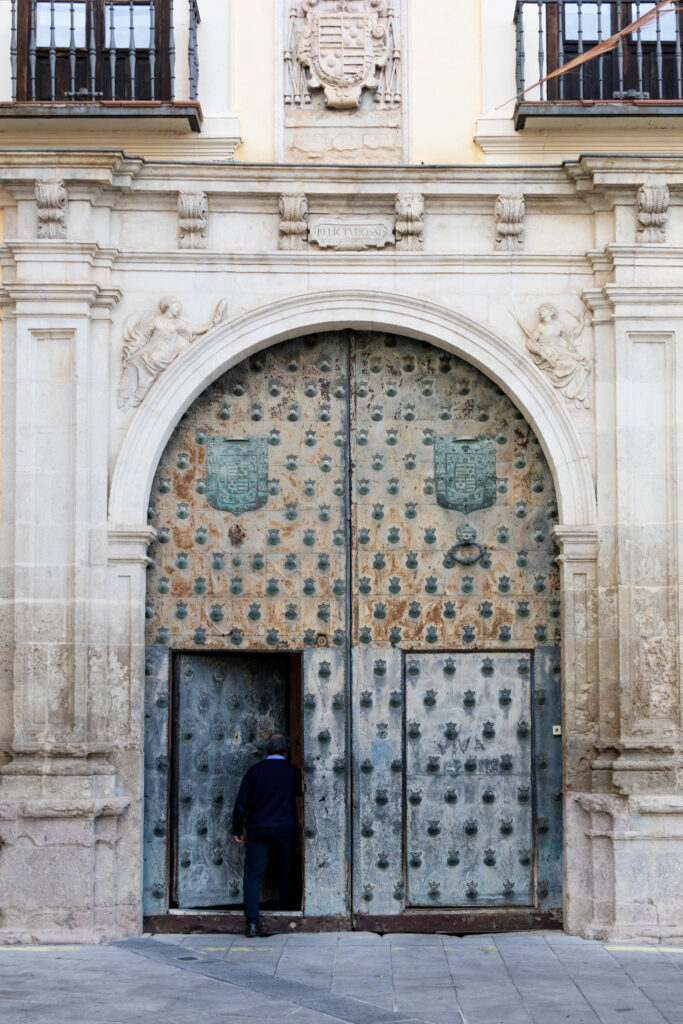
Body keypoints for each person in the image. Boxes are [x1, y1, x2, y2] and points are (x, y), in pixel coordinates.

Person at [232, 731, 302, 938]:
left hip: (258, 829)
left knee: (253, 875)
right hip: (284, 830)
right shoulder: (292, 772)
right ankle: (289, 915)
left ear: (267, 749)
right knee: (286, 871)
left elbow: (242, 803)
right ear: (287, 751)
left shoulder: (255, 771)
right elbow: (298, 795)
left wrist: (237, 829)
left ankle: (252, 922)